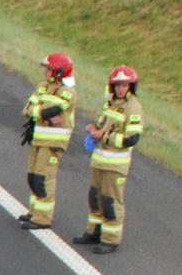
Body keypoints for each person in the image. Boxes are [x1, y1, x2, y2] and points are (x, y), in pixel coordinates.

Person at [74, 65, 146, 254]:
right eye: (117, 85)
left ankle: (111, 239)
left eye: (124, 85)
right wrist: (94, 128)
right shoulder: (110, 104)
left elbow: (132, 139)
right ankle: (94, 232)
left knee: (111, 202)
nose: (120, 89)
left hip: (116, 165)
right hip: (100, 161)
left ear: (131, 86)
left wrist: (103, 137)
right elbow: (104, 124)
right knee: (94, 198)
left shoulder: (133, 108)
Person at [18, 52, 76, 230]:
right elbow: (27, 109)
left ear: (58, 72)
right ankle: (34, 211)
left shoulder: (68, 92)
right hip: (38, 139)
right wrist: (44, 115)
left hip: (53, 143)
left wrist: (42, 113)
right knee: (33, 177)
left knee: (44, 178)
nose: (45, 72)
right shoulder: (43, 87)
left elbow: (52, 110)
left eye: (49, 69)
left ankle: (43, 218)